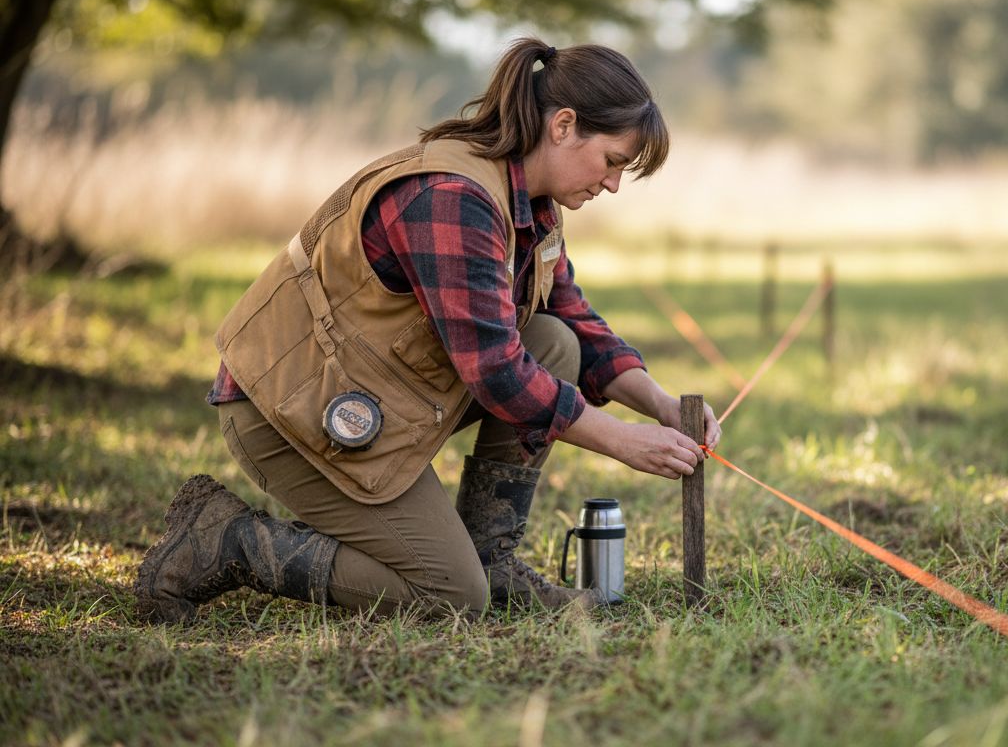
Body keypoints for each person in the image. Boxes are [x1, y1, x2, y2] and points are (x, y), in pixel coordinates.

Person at [133, 38, 722, 623]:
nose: (613, 184)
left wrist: (661, 404)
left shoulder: (532, 203)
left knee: (555, 342)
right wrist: (622, 440)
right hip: (286, 412)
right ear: (564, 125)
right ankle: (226, 541)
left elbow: (574, 321)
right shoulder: (453, 198)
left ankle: (493, 558)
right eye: (614, 161)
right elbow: (496, 373)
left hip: (371, 392)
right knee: (451, 594)